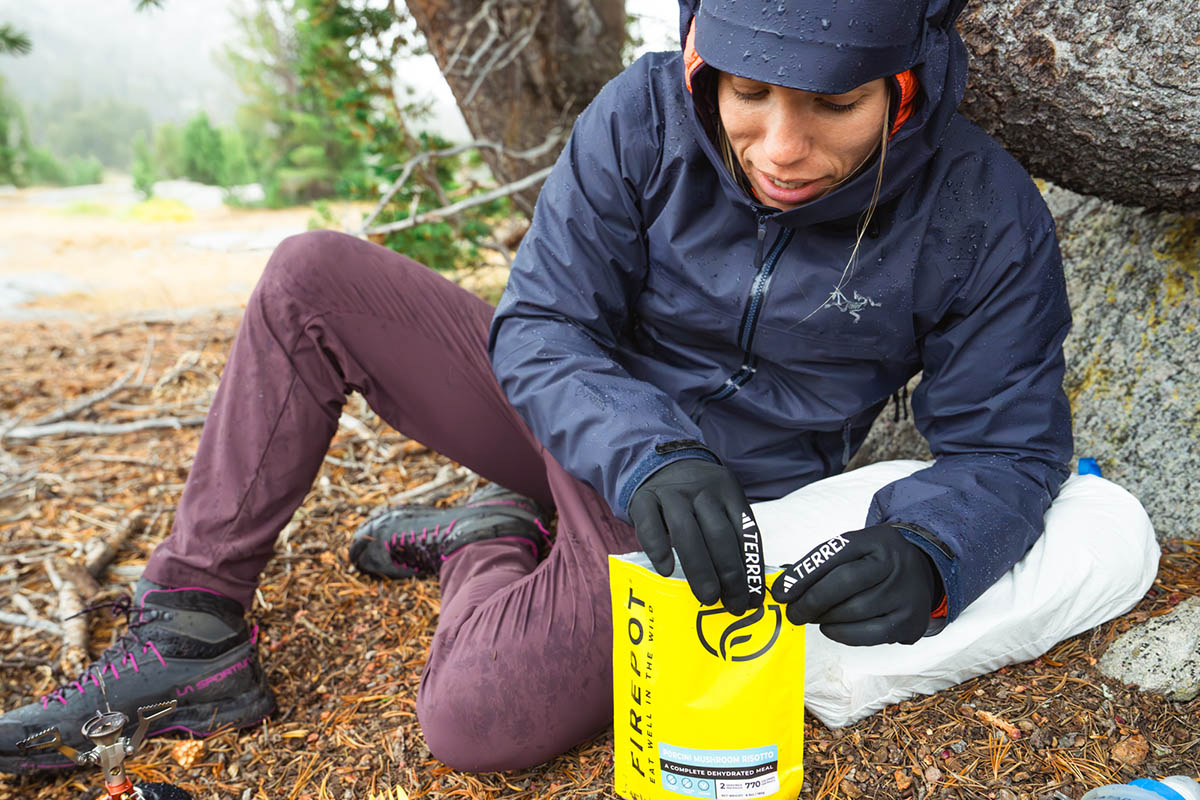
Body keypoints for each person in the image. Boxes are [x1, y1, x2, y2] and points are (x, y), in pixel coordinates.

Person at [2, 0, 1075, 776]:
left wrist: (935, 548)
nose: (780, 149)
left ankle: (489, 532)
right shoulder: (644, 116)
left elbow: (1010, 449)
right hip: (594, 426)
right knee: (310, 279)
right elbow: (547, 324)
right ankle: (192, 636)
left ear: (909, 80)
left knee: (471, 726)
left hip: (710, 512)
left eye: (835, 105)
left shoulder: (980, 210)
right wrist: (646, 442)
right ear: (705, 57)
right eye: (748, 94)